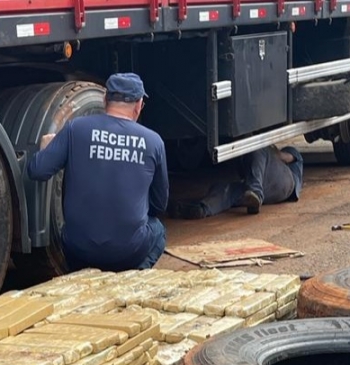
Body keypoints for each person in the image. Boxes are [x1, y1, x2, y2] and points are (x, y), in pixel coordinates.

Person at [26, 73, 169, 272]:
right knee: (158, 231)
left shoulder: (76, 128)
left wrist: (45, 150)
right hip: (128, 252)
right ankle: (136, 274)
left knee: (73, 235)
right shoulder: (153, 141)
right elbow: (159, 204)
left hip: (78, 250)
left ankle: (81, 272)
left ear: (104, 100)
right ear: (138, 105)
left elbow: (37, 171)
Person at [169, 145, 303, 219]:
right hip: (270, 188)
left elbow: (290, 157)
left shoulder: (291, 156)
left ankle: (256, 192)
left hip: (286, 183)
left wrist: (276, 152)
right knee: (226, 190)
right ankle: (202, 209)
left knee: (258, 146)